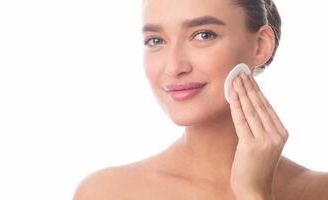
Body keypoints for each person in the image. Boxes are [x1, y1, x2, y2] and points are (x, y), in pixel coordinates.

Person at [73, 0, 328, 199]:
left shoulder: (319, 191)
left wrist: (255, 193)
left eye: (203, 35)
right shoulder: (107, 193)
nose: (174, 67)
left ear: (260, 45)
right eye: (155, 40)